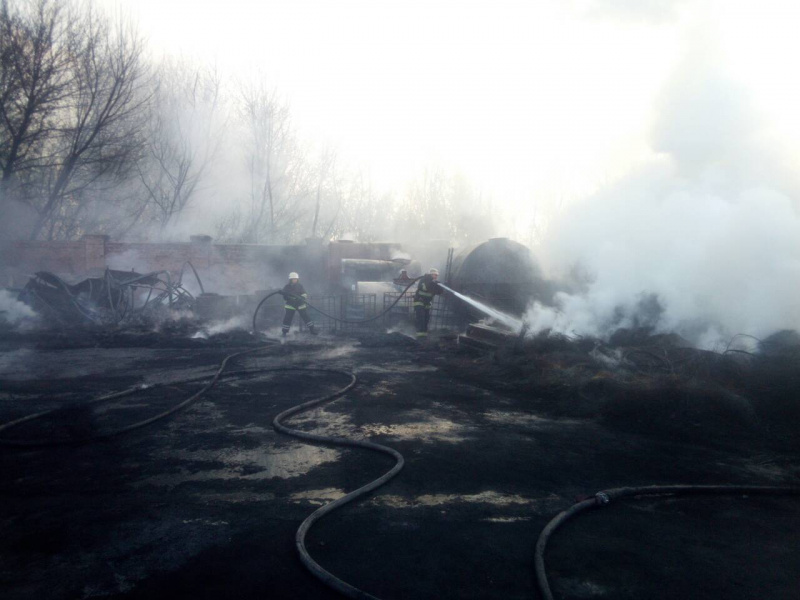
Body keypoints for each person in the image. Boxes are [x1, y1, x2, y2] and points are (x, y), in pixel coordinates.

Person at [413, 268, 443, 338]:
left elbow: (440, 292)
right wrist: (434, 284)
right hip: (419, 302)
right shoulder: (424, 280)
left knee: (426, 319)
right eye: (434, 275)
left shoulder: (434, 282)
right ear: (431, 274)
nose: (436, 277)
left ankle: (424, 335)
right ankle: (420, 336)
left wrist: (438, 285)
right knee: (421, 319)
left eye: (436, 275)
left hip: (427, 303)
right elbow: (427, 287)